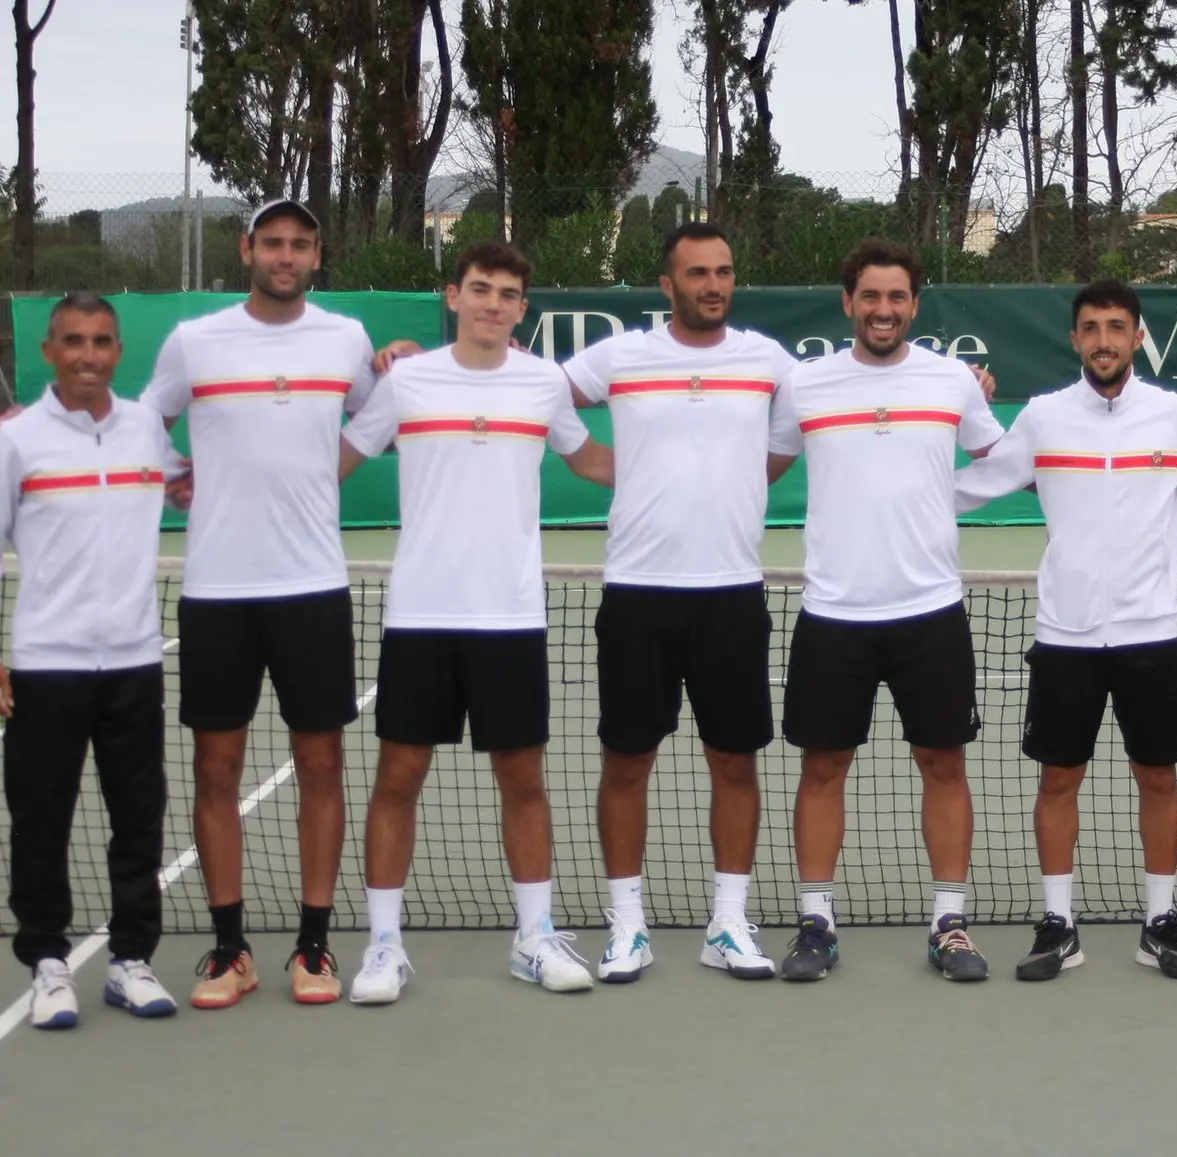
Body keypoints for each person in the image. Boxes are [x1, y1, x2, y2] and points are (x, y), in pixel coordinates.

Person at [340, 242, 615, 1005]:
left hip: (512, 615)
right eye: (480, 289)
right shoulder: (407, 380)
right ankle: (384, 946)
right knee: (398, 778)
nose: (493, 303)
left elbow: (589, 458)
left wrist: (691, 469)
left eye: (507, 293)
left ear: (522, 307)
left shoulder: (541, 384)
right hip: (421, 614)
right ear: (452, 296)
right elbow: (339, 456)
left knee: (523, 780)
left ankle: (534, 936)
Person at [953, 279, 1177, 981]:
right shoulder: (1043, 419)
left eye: (1115, 326)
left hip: (1151, 632)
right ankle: (1058, 924)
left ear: (1138, 337)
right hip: (1065, 634)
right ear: (1074, 339)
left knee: (1158, 776)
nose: (1103, 339)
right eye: (1090, 328)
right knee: (1057, 780)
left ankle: (1159, 922)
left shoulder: (1173, 415)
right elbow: (975, 483)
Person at [140, 200, 378, 1007]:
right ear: (247, 249)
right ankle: (228, 947)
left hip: (313, 588)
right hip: (217, 589)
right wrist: (177, 478)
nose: (285, 255)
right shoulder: (195, 340)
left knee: (321, 763)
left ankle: (313, 948)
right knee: (216, 767)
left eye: (300, 244)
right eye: (272, 242)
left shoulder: (344, 339)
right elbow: (147, 419)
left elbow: (379, 413)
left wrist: (323, 472)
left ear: (317, 255)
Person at [557, 223, 798, 982]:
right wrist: (604, 465)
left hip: (731, 594)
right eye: (697, 273)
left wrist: (736, 480)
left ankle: (727, 922)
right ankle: (626, 923)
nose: (713, 285)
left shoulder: (766, 360)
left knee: (735, 763)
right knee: (626, 762)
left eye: (723, 271)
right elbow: (541, 393)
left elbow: (787, 440)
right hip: (636, 594)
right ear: (667, 285)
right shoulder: (621, 356)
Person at [773, 237, 1002, 982]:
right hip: (833, 612)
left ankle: (949, 924)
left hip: (930, 611)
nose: (882, 309)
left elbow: (997, 461)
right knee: (823, 766)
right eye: (869, 296)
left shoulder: (952, 381)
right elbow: (758, 466)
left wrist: (943, 499)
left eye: (896, 297)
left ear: (913, 303)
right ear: (847, 303)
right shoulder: (804, 386)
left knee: (943, 762)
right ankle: (815, 922)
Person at [3, 294, 183, 1028]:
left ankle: (129, 960)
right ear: (50, 351)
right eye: (73, 341)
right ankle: (48, 960)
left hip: (135, 662)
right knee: (41, 819)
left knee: (138, 817)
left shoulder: (146, 428)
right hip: (47, 665)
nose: (88, 354)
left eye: (102, 341)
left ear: (118, 351)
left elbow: (189, 483)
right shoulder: (16, 442)